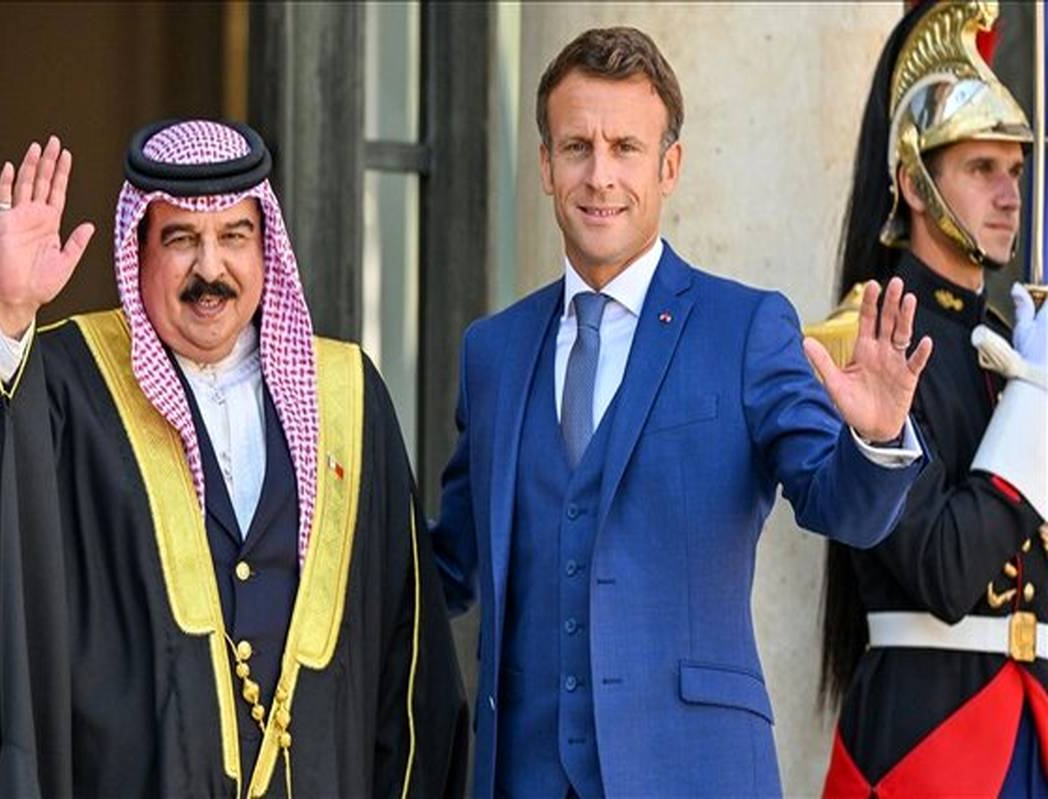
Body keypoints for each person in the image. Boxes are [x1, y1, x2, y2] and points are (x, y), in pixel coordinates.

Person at [432, 26, 935, 797]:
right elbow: (447, 564)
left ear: (669, 167)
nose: (600, 176)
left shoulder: (745, 328)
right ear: (545, 165)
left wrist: (874, 436)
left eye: (626, 148)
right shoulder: (492, 352)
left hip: (697, 771)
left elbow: (842, 506)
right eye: (577, 147)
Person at [0, 119, 468, 797]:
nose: (210, 269)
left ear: (266, 246)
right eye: (180, 239)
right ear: (139, 248)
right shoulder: (67, 386)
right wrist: (9, 315)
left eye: (234, 236)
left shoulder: (347, 397)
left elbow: (408, 653)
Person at [817, 1, 1047, 795]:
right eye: (982, 168)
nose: (1010, 194)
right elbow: (945, 568)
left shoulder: (1010, 348)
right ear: (915, 183)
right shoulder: (861, 341)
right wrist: (1035, 409)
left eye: (1015, 169)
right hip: (931, 744)